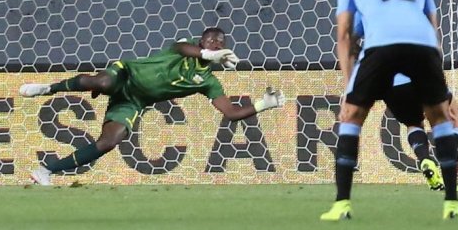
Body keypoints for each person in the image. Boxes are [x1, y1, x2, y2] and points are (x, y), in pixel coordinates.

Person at [20, 27, 284, 186]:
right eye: (212, 41)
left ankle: (45, 171)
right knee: (103, 81)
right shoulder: (184, 49)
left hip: (134, 100)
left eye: (221, 43)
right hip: (127, 74)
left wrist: (265, 103)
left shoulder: (209, 82)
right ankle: (47, 88)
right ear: (201, 42)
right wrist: (207, 55)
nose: (217, 44)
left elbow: (231, 113)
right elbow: (183, 47)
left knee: (109, 142)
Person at [321, 0, 458, 222]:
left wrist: (349, 89)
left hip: (382, 47)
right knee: (441, 118)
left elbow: (345, 37)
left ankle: (342, 203)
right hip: (423, 48)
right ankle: (452, 204)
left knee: (352, 117)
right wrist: (439, 83)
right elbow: (434, 34)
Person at [351, 0, 458, 194]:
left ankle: (424, 158)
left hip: (386, 78)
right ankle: (449, 174)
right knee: (450, 113)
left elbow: (352, 37)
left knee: (413, 121)